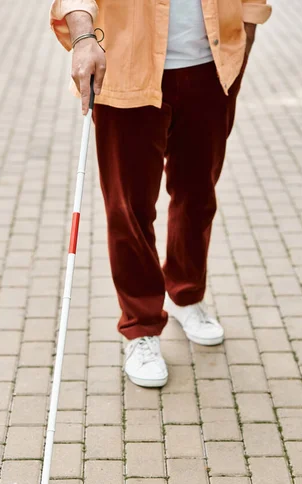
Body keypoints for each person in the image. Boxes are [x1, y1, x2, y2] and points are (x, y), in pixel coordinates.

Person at [50, 0, 272, 388]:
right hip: (126, 71)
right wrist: (84, 37)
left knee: (198, 194)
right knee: (129, 208)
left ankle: (187, 296)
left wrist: (249, 26)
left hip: (212, 68)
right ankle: (141, 328)